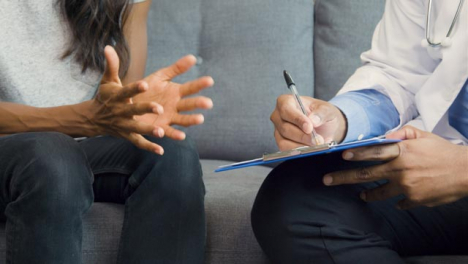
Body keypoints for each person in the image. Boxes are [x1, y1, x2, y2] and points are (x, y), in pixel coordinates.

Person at [251, 0, 468, 263]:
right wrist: (341, 119)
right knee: (300, 199)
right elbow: (401, 74)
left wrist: (462, 167)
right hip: (433, 162)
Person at [0, 0, 214, 263]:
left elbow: (123, 96)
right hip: (15, 150)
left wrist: (139, 108)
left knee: (170, 152)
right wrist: (80, 119)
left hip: (78, 147)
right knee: (53, 157)